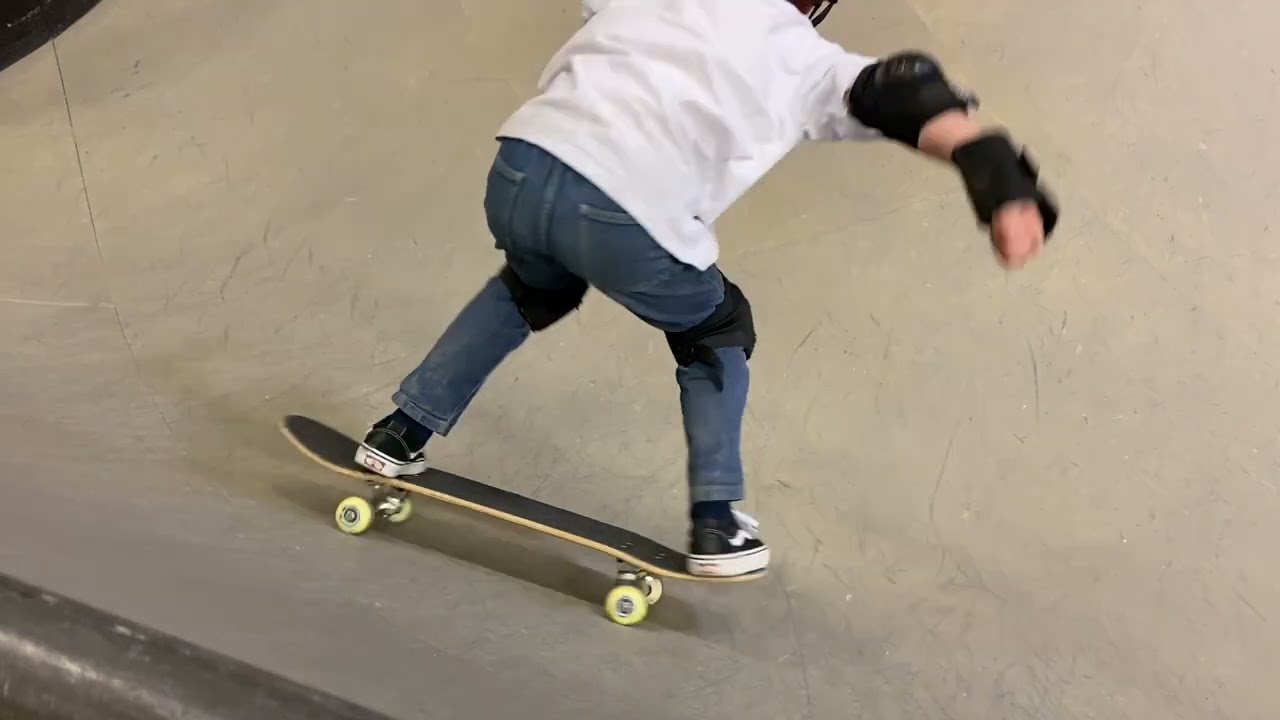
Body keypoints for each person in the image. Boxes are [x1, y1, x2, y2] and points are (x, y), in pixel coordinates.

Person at [353, 0, 1059, 577]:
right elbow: (904, 93)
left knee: (531, 287)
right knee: (717, 328)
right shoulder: (807, 59)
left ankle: (399, 431)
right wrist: (992, 168)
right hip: (621, 211)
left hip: (521, 167)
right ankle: (717, 522)